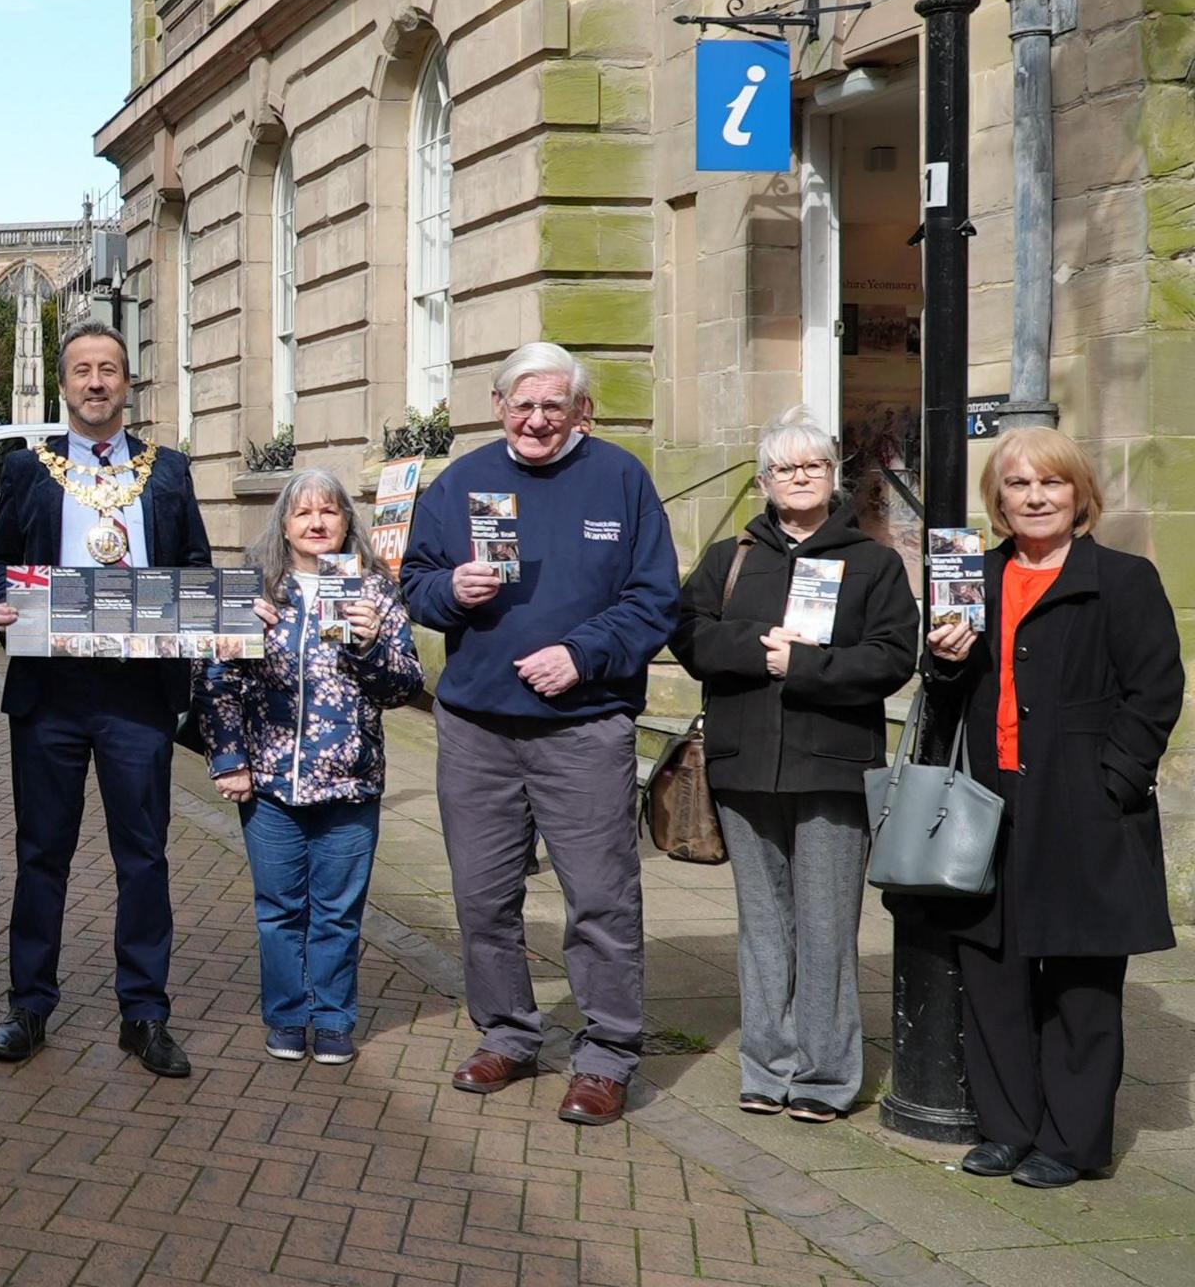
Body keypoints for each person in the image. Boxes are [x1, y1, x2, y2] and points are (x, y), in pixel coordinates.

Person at [398, 341, 678, 1126]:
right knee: (483, 898)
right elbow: (415, 583)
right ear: (498, 406)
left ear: (580, 411)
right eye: (523, 404)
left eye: (554, 405)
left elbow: (656, 599)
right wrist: (450, 588)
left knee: (599, 899)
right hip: (476, 729)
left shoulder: (620, 479)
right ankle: (509, 1034)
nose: (537, 419)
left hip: (582, 728)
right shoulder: (461, 482)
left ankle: (608, 1054)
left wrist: (582, 655)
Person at [923, 426, 1180, 1189]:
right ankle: (1007, 1128)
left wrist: (1113, 783)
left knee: (1079, 980)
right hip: (990, 801)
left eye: (1051, 484)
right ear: (996, 501)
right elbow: (943, 699)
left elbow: (1155, 692)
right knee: (993, 969)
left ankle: (1070, 1142)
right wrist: (942, 662)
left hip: (1084, 804)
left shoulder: (1122, 579)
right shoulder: (973, 576)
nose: (1034, 498)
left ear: (1079, 495)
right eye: (1017, 485)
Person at [668, 409, 918, 1123]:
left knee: (828, 925)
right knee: (764, 924)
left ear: (832, 475)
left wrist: (804, 665)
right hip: (745, 763)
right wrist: (757, 650)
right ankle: (767, 1066)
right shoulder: (731, 556)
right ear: (764, 480)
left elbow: (894, 655)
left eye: (812, 465)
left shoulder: (869, 561)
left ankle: (826, 1074)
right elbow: (688, 633)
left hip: (832, 767)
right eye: (784, 468)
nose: (799, 477)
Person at [0, 322, 212, 1077]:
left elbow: (197, 572)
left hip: (137, 696)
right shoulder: (27, 470)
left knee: (142, 856)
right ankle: (29, 1004)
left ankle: (144, 1013)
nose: (96, 383)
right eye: (82, 370)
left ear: (128, 383)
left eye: (109, 369)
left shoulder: (168, 472)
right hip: (50, 693)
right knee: (42, 854)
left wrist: (215, 618)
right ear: (64, 384)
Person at [195, 469, 422, 1066]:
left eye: (330, 512)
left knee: (338, 913)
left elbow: (405, 687)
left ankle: (334, 1016)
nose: (317, 523)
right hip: (270, 783)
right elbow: (216, 683)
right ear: (285, 525)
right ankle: (289, 1016)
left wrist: (370, 647)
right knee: (279, 912)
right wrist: (229, 760)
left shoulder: (374, 591)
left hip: (350, 782)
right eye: (303, 514)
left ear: (348, 521)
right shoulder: (257, 589)